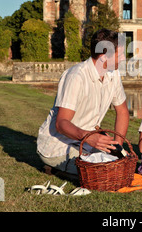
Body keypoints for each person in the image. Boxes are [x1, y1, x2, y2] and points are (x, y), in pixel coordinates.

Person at [36, 29, 130, 175]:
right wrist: (89, 137)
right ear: (104, 57)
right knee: (104, 172)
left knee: (122, 166)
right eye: (121, 54)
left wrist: (116, 148)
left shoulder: (114, 74)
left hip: (86, 142)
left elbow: (123, 111)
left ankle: (69, 168)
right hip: (59, 144)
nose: (124, 58)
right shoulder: (76, 76)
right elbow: (61, 123)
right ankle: (57, 166)